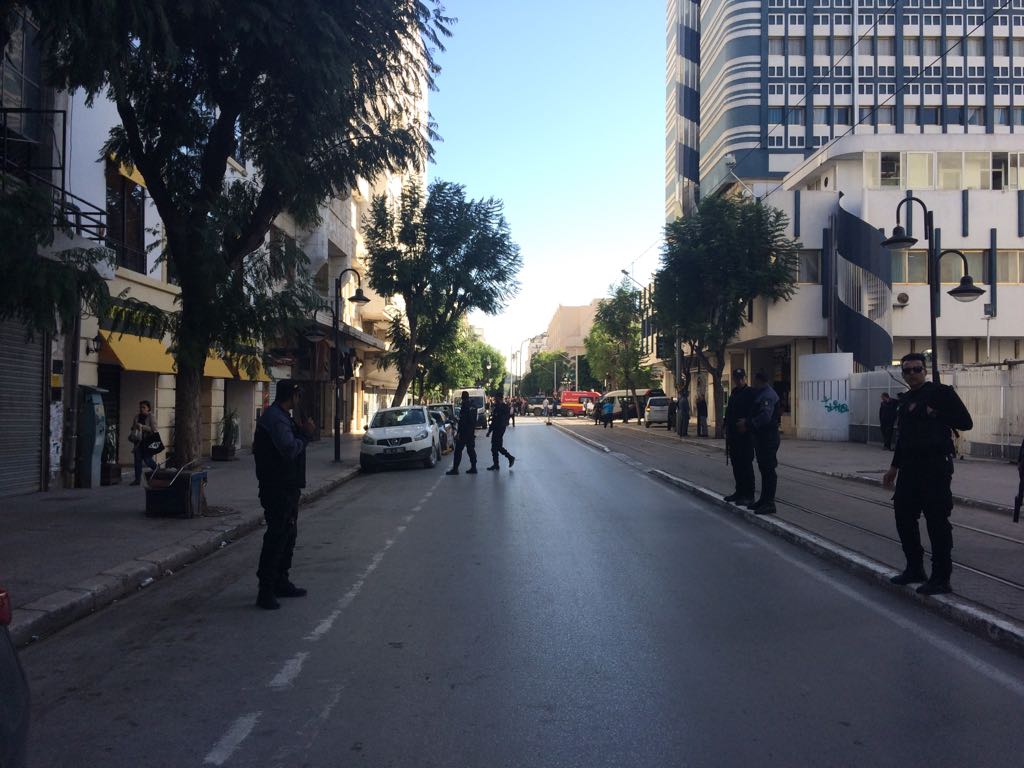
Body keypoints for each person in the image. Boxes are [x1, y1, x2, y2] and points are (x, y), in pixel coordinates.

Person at [882, 353, 973, 596]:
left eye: (917, 369)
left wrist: (935, 413)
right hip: (910, 469)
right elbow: (904, 438)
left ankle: (941, 578)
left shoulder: (941, 394)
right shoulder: (906, 399)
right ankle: (914, 568)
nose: (912, 374)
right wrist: (893, 467)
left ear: (925, 370)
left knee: (937, 523)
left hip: (935, 468)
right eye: (907, 370)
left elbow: (966, 423)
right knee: (903, 517)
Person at [253, 380, 316, 610]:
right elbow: (289, 449)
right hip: (277, 488)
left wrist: (301, 430)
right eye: (298, 395)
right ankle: (266, 589)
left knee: (288, 535)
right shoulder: (276, 419)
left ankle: (281, 580)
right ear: (293, 395)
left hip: (287, 487)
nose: (299, 400)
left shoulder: (282, 416)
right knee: (277, 537)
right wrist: (306, 436)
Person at [747, 371, 782, 514]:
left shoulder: (768, 395)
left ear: (760, 381)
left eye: (755, 381)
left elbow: (765, 417)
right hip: (762, 437)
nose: (753, 383)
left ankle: (769, 503)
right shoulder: (761, 393)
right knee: (763, 468)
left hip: (768, 437)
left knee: (768, 469)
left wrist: (750, 423)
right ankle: (763, 499)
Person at [723, 369, 756, 506]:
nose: (738, 380)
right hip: (733, 435)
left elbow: (754, 413)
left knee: (746, 466)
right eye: (736, 378)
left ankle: (749, 495)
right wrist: (725, 426)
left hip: (745, 435)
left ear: (744, 378)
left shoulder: (750, 393)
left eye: (740, 378)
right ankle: (739, 491)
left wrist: (747, 424)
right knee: (736, 465)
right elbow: (729, 411)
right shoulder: (734, 393)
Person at [446, 391, 479, 475]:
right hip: (471, 431)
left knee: (458, 451)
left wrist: (459, 433)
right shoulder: (474, 406)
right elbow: (474, 420)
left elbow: (462, 421)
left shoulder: (465, 406)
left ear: (462, 398)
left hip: (464, 432)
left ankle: (455, 469)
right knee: (471, 450)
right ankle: (474, 467)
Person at [128, 400, 158, 485]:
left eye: (144, 407)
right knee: (137, 461)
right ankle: (137, 480)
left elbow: (154, 429)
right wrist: (135, 427)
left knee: (147, 460)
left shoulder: (151, 417)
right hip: (138, 442)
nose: (142, 409)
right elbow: (132, 428)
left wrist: (143, 427)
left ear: (148, 408)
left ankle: (157, 470)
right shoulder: (137, 417)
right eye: (140, 407)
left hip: (148, 442)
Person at [486, 393, 517, 471]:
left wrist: (489, 431)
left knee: (497, 447)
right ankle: (496, 464)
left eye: (496, 398)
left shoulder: (499, 407)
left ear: (499, 398)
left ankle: (510, 458)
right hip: (500, 428)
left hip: (498, 429)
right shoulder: (503, 406)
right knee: (495, 448)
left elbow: (495, 420)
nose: (494, 399)